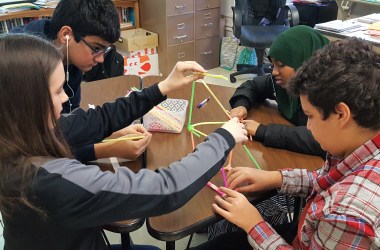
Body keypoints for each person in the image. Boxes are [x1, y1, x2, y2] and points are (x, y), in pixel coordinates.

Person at [0, 33, 248, 249]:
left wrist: (163, 87)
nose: (66, 98)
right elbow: (167, 188)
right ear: (26, 104)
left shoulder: (16, 135)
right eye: (56, 91)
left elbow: (99, 119)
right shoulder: (50, 183)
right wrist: (224, 137)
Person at [194, 37, 380, 249]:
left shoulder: (347, 214)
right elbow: (326, 179)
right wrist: (275, 178)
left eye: (310, 116)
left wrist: (253, 224)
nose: (308, 127)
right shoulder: (358, 148)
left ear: (341, 114)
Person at [11, 0, 152, 163]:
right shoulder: (24, 66)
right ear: (66, 35)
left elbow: (70, 125)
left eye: (104, 50)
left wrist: (112, 132)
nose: (100, 59)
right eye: (96, 49)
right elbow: (38, 150)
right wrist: (106, 149)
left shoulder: (71, 55)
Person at [229, 25, 328, 159]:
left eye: (281, 64)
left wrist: (263, 131)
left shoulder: (329, 92)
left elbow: (321, 139)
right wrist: (241, 104)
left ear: (304, 62)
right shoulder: (281, 82)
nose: (274, 72)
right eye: (272, 64)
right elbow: (252, 85)